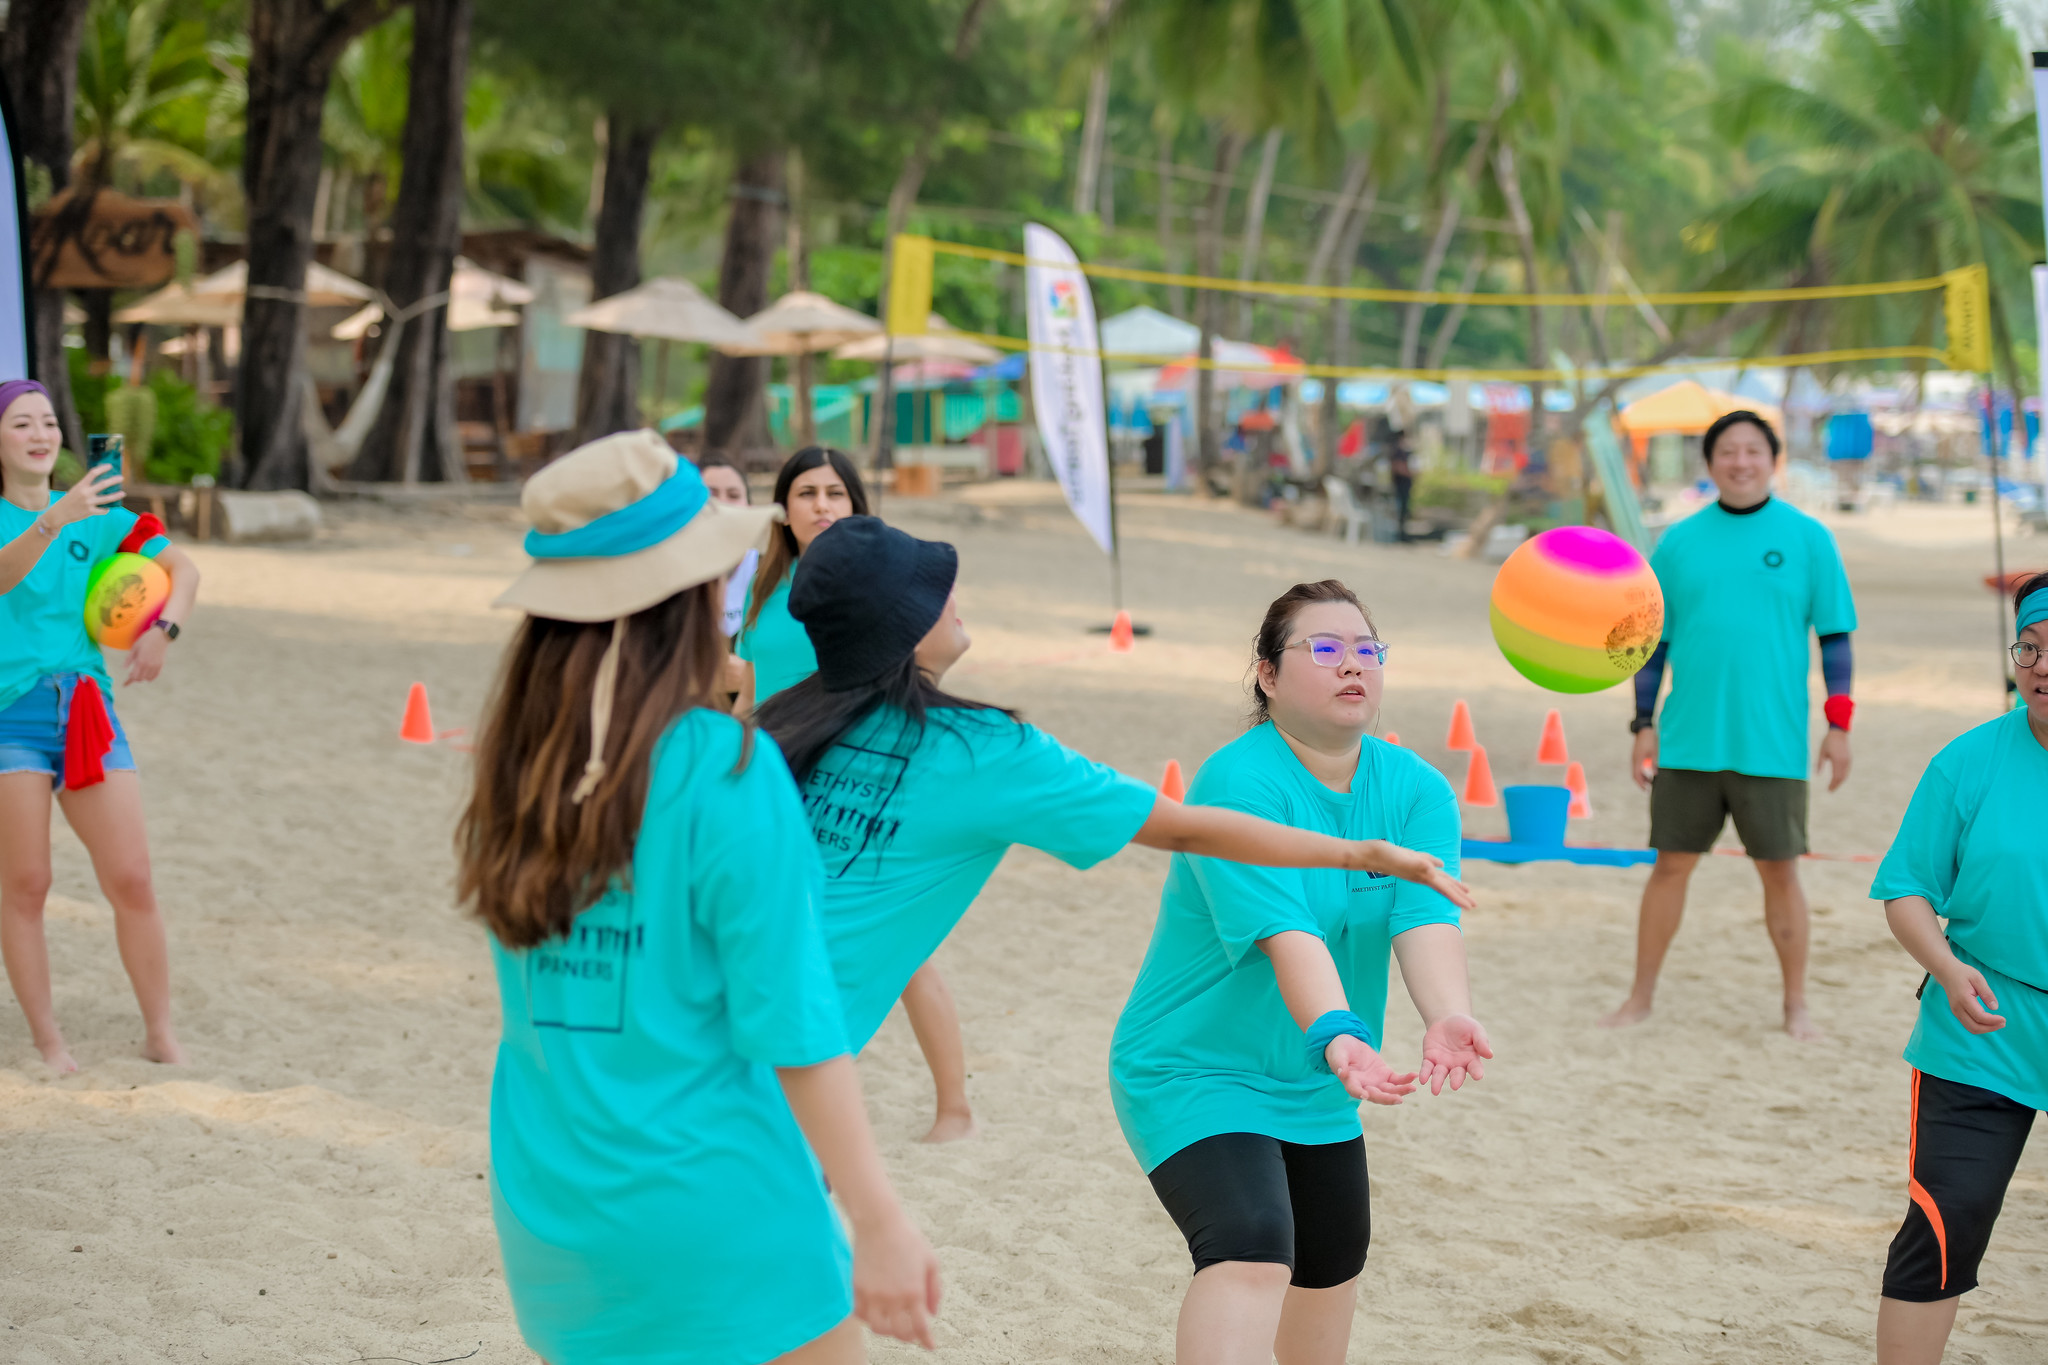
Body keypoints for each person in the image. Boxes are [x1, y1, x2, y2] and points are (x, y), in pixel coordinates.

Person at [457, 431, 939, 1365]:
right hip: (719, 1209)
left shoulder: (517, 764)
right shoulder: (724, 767)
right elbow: (795, 1026)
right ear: (681, 596)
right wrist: (878, 1218)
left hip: (553, 1216)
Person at [754, 531, 1474, 1154]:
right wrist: (1359, 853)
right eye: (935, 588)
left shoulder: (770, 729)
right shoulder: (984, 752)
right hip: (771, 1069)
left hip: (689, 1029)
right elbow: (1184, 826)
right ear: (902, 624)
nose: (953, 595)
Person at [1109, 579, 1491, 1365]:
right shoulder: (1238, 781)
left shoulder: (1416, 788)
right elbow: (1291, 935)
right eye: (1325, 648)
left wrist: (1445, 1012)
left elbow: (1424, 918)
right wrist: (1340, 1031)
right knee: (1251, 1244)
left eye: (1366, 650)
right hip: (1194, 1066)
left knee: (1328, 1271)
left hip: (1317, 1080)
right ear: (1268, 675)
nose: (1353, 665)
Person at [1602, 409, 1855, 1040]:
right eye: (1727, 452)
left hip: (1772, 743)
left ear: (1773, 460)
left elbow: (1835, 640)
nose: (1740, 462)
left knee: (1780, 871)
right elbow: (1649, 642)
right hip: (1688, 739)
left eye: (1752, 451)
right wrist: (1643, 723)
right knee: (1670, 866)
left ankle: (1796, 1005)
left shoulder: (1807, 538)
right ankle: (1639, 997)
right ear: (1710, 463)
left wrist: (1839, 725)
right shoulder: (1679, 542)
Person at [1869, 572, 2048, 1365]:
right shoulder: (1969, 760)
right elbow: (1905, 886)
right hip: (1982, 1024)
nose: (2041, 666)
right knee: (1949, 1219)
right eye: (2030, 648)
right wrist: (1943, 965)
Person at [0, 380, 199, 1072]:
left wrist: (163, 631)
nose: (39, 433)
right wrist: (55, 518)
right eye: (21, 422)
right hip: (10, 714)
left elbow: (183, 566)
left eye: (48, 421)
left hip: (87, 708)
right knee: (27, 883)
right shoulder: (52, 515)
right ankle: (50, 1041)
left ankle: (160, 1032)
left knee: (133, 876)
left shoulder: (101, 514)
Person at [735, 446, 867, 717]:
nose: (822, 505)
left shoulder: (879, 584)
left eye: (835, 494)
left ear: (854, 507)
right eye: (807, 493)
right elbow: (748, 695)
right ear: (783, 512)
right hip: (768, 753)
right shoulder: (761, 586)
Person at [698, 452, 757, 701]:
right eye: (711, 494)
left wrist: (751, 675)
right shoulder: (669, 576)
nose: (723, 503)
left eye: (734, 495)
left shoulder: (771, 568)